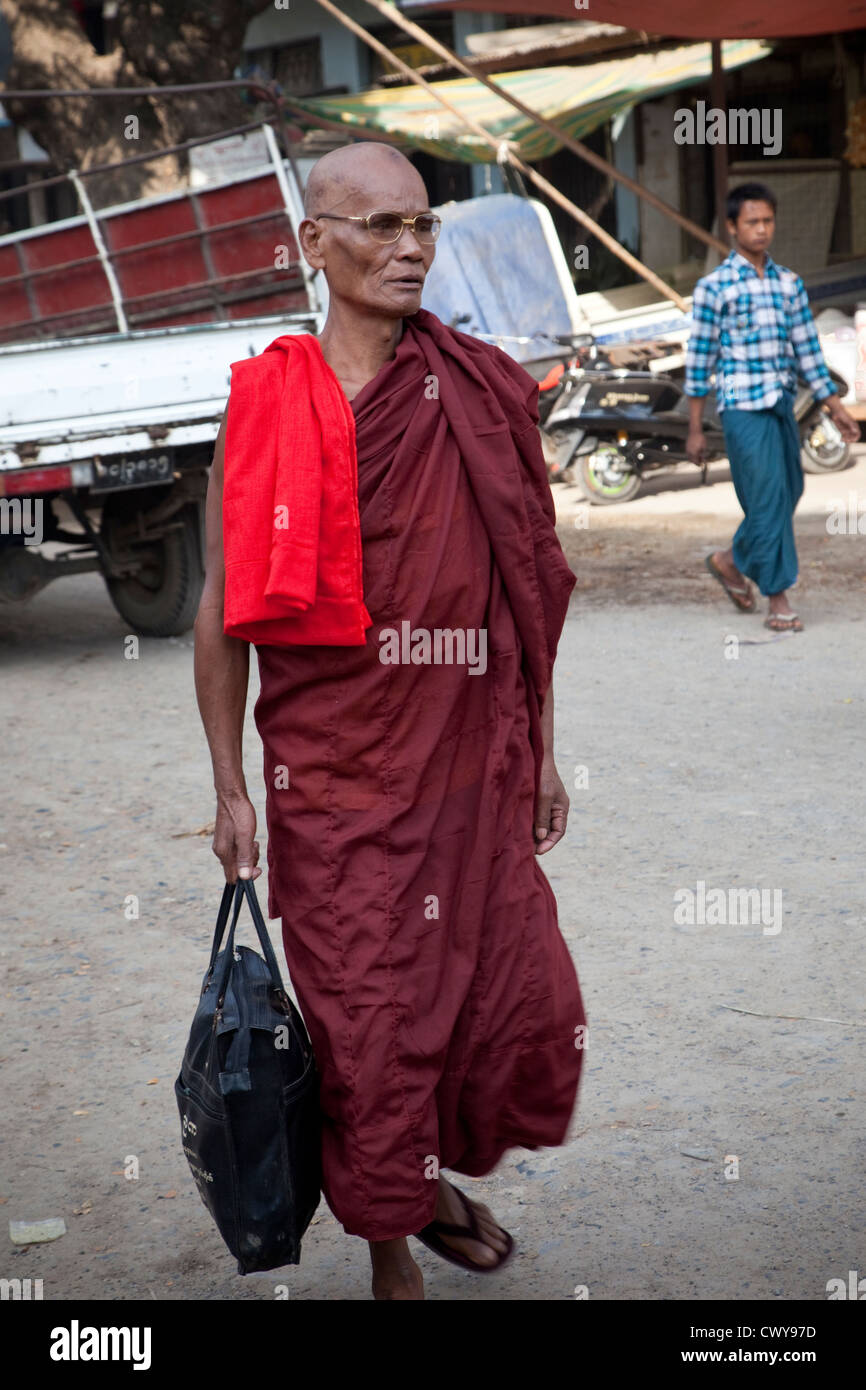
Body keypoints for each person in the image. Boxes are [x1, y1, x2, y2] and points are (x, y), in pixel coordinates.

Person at [193, 142, 586, 1301]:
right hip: (334, 781)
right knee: (367, 1022)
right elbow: (219, 616)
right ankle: (388, 1250)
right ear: (314, 245)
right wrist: (229, 787)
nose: (410, 247)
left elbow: (524, 582)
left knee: (494, 999)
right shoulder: (268, 404)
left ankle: (422, 1181)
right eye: (378, 226)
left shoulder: (471, 389)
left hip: (467, 769)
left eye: (422, 224)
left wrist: (543, 744)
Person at [685, 181, 859, 632]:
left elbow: (808, 354)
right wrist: (696, 428)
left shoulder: (789, 284)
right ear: (731, 227)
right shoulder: (714, 288)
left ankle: (730, 560)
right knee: (766, 503)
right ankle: (778, 599)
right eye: (752, 222)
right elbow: (700, 360)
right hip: (742, 409)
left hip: (783, 404)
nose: (761, 230)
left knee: (791, 492)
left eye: (767, 221)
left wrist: (837, 409)